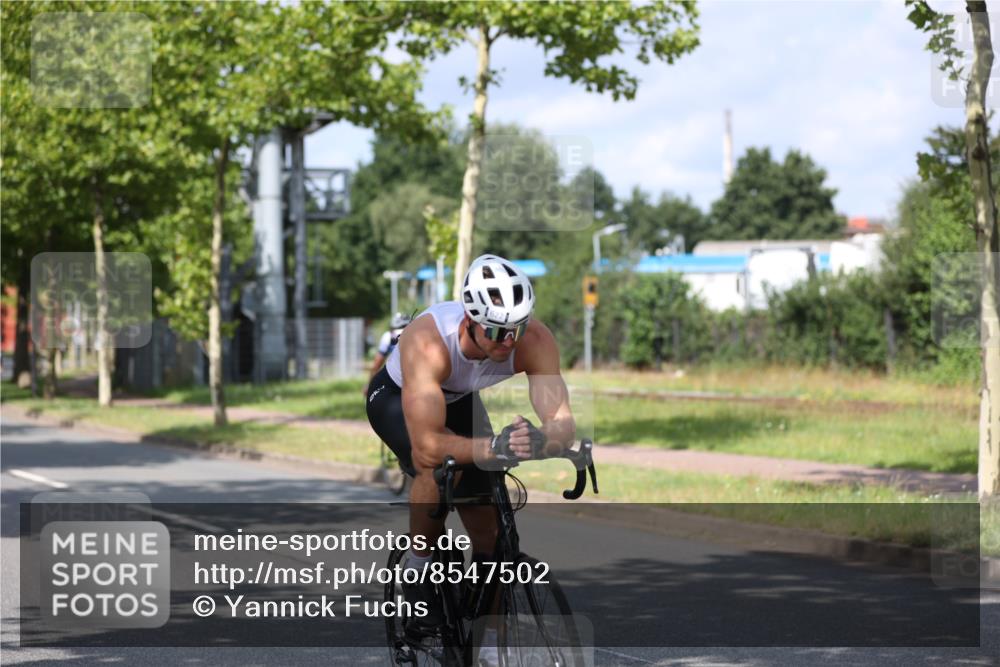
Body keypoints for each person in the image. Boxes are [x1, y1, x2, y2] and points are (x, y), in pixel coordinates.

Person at [365, 253, 576, 640]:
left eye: (516, 329)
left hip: (459, 399)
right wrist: (493, 448)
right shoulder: (429, 342)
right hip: (395, 397)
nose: (508, 342)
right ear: (469, 322)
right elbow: (429, 445)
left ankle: (487, 643)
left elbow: (562, 423)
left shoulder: (534, 341)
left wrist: (541, 439)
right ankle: (417, 568)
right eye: (496, 332)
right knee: (438, 465)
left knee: (491, 536)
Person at [363, 312, 411, 396]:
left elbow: (377, 364)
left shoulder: (389, 336)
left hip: (396, 379)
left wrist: (369, 385)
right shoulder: (416, 333)